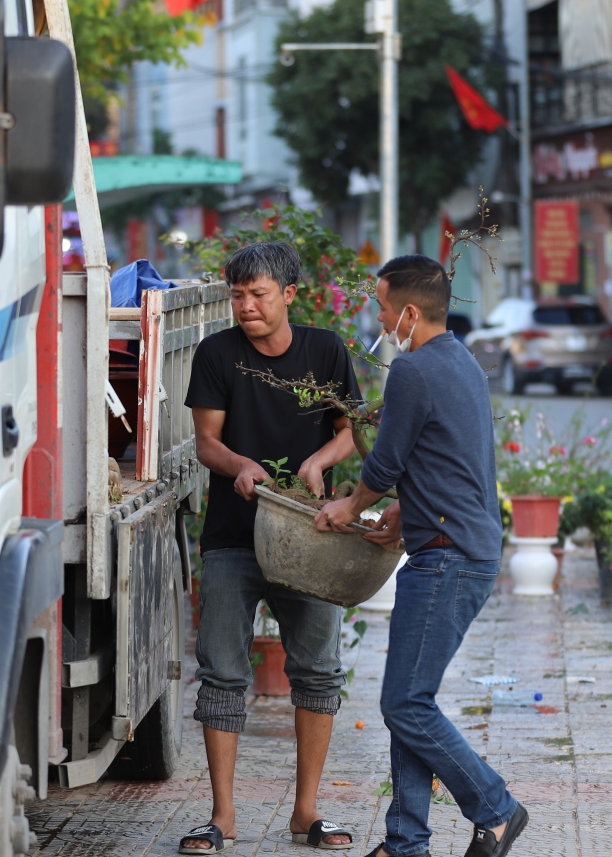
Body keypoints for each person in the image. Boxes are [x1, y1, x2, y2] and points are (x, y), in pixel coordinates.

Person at [315, 256, 527, 857]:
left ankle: (497, 808)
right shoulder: (461, 361)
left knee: (404, 702)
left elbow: (385, 462)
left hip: (449, 557)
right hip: (457, 546)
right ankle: (404, 842)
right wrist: (404, 515)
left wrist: (351, 505)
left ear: (409, 312)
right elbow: (452, 458)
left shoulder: (411, 369)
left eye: (383, 308)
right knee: (413, 699)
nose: (379, 319)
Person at [180, 241, 359, 855]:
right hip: (234, 535)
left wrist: (318, 461)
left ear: (288, 294)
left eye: (258, 294)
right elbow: (207, 441)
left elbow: (349, 433)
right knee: (223, 674)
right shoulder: (217, 353)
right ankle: (222, 816)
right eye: (237, 294)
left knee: (317, 671)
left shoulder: (327, 350)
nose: (246, 305)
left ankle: (307, 812)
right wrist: (241, 466)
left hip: (312, 536)